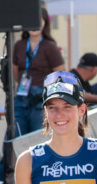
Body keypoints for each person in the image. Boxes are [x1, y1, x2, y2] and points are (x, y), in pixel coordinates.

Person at [12, 8, 64, 136]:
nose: (34, 25)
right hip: (22, 95)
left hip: (40, 98)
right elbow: (15, 72)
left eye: (38, 21)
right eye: (30, 21)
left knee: (37, 136)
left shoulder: (50, 46)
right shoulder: (19, 45)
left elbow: (60, 75)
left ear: (44, 23)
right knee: (17, 135)